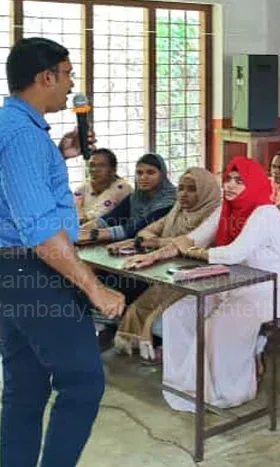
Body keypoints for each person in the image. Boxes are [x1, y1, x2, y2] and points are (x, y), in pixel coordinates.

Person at [0, 37, 125, 467]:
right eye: (68, 74)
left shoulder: (13, 125)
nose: (73, 85)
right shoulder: (23, 136)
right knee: (83, 383)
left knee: (26, 386)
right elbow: (39, 231)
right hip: (32, 270)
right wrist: (94, 289)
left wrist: (60, 154)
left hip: (11, 272)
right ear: (45, 77)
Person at [124, 157, 280, 410]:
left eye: (239, 181)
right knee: (177, 314)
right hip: (233, 285)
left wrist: (196, 253)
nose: (230, 185)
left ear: (254, 184)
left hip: (271, 291)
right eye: (228, 179)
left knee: (217, 326)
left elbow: (232, 253)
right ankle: (187, 384)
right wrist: (153, 256)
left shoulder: (266, 213)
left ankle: (230, 391)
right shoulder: (227, 209)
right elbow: (191, 239)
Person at [111, 167, 222, 361]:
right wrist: (161, 243)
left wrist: (157, 243)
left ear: (205, 191)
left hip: (199, 276)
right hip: (167, 269)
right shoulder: (177, 210)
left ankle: (166, 350)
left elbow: (188, 243)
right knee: (136, 299)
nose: (183, 194)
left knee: (157, 311)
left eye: (191, 189)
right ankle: (141, 342)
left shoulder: (214, 215)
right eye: (181, 188)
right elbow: (145, 233)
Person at [79, 153, 177, 242]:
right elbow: (110, 218)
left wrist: (91, 235)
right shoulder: (135, 198)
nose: (143, 177)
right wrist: (80, 230)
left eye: (150, 172)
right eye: (139, 173)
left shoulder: (170, 201)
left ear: (162, 175)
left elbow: (136, 229)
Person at [73, 147, 132, 223]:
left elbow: (100, 213)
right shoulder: (81, 189)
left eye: (101, 165)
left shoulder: (122, 188)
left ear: (113, 169)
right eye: (91, 165)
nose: (95, 170)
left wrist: (82, 219)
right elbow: (72, 211)